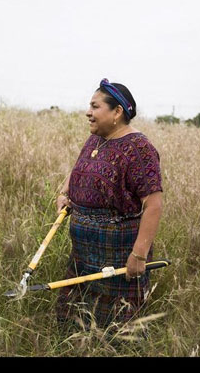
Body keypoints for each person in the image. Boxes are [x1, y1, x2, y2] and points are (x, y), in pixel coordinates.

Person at [55, 78, 163, 329]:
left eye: (95, 106)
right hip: (82, 251)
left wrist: (138, 255)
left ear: (117, 112)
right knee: (71, 319)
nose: (88, 112)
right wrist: (66, 194)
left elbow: (154, 206)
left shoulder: (139, 148)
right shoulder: (96, 139)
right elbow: (79, 169)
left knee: (115, 327)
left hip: (116, 251)